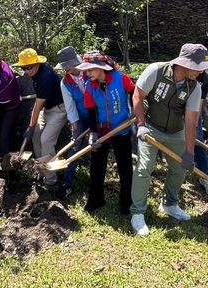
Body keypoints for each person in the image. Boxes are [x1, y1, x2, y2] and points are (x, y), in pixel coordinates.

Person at [130, 43, 208, 236]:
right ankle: (137, 213)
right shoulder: (156, 71)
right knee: (144, 168)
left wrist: (190, 153)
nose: (200, 73)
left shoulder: (195, 87)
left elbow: (191, 122)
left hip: (176, 131)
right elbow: (137, 95)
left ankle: (169, 204)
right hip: (150, 126)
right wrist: (141, 125)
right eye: (198, 68)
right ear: (185, 64)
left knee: (179, 168)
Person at [78, 51, 135, 214]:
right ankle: (96, 200)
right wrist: (94, 134)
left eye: (90, 70)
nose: (87, 74)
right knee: (96, 167)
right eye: (86, 71)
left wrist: (135, 112)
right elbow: (91, 111)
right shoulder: (90, 86)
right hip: (102, 131)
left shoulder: (120, 78)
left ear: (101, 68)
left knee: (125, 168)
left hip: (121, 128)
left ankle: (126, 203)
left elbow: (134, 93)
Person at [14, 48, 67, 186]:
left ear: (37, 63)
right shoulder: (35, 74)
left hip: (59, 110)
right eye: (23, 68)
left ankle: (51, 180)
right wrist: (33, 128)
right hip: (47, 109)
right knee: (36, 133)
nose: (26, 71)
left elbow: (38, 104)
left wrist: (31, 125)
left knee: (46, 140)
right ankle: (41, 170)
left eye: (29, 67)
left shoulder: (45, 77)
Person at [57, 46, 89, 199]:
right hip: (81, 116)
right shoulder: (65, 83)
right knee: (75, 145)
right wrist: (75, 128)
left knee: (100, 143)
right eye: (66, 68)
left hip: (101, 112)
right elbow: (70, 107)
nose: (69, 70)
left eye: (70, 66)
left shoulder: (90, 71)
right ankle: (67, 183)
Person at [194, 64, 208, 197]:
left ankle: (204, 176)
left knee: (199, 141)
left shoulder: (205, 79)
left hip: (193, 111)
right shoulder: (181, 73)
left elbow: (200, 102)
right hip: (174, 111)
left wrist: (194, 122)